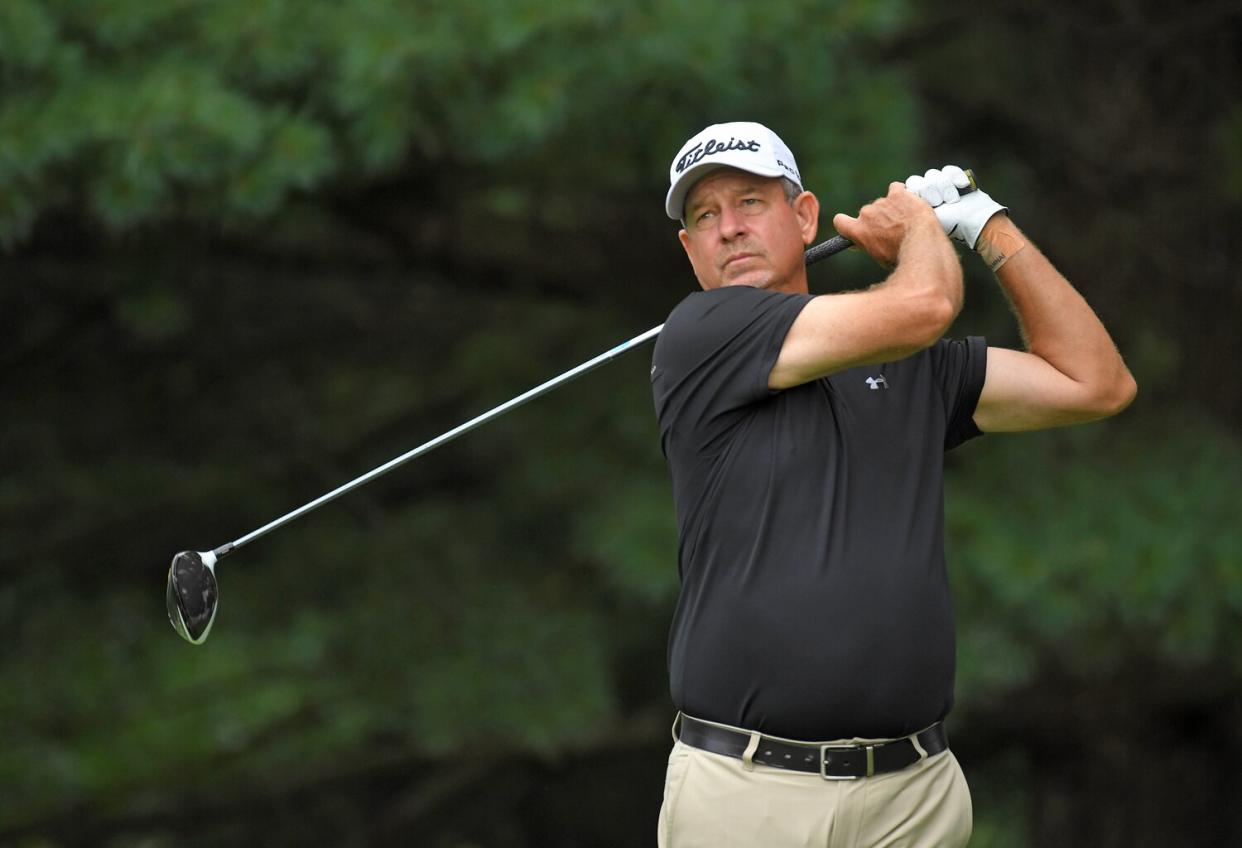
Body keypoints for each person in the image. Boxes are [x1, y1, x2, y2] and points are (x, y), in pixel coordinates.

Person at [650, 121, 1136, 847]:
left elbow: (1095, 382)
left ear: (805, 217)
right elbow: (925, 308)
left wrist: (987, 226)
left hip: (914, 796)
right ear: (690, 250)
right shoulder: (700, 334)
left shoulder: (915, 370)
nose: (727, 229)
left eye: (749, 202)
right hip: (748, 796)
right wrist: (919, 230)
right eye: (704, 216)